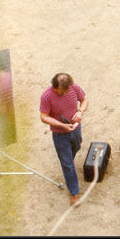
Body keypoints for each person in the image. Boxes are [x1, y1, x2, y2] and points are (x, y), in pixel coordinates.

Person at [39, 72, 89, 206]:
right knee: (67, 163)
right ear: (54, 87)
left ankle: (68, 161)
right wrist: (62, 125)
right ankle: (74, 193)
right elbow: (43, 117)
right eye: (63, 91)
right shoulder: (46, 96)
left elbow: (84, 100)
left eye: (68, 89)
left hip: (75, 128)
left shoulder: (72, 87)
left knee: (77, 147)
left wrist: (80, 112)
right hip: (60, 134)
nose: (66, 92)